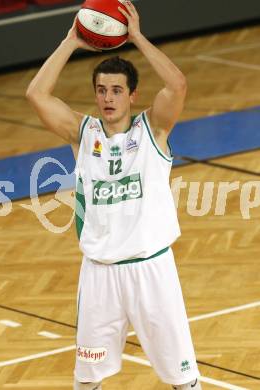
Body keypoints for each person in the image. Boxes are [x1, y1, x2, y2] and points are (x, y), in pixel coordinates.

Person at [26, 2, 201, 389]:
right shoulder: (82, 133)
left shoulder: (152, 131)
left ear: (132, 95)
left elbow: (178, 86)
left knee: (183, 380)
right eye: (102, 90)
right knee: (87, 382)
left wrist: (136, 36)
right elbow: (36, 94)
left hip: (152, 270)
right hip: (100, 274)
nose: (108, 98)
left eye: (117, 90)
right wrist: (71, 40)